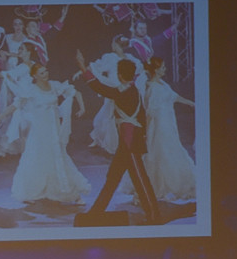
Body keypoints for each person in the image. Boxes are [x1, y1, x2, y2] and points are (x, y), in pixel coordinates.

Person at [73, 49, 159, 222]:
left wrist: (82, 66)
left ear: (120, 75)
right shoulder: (130, 89)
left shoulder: (124, 92)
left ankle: (154, 215)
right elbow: (142, 116)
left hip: (130, 145)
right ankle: (95, 213)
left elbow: (98, 86)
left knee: (140, 180)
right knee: (112, 179)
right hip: (126, 144)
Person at [0, 63, 88, 205]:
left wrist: (82, 107)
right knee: (37, 158)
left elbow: (75, 92)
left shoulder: (54, 85)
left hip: (54, 130)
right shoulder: (31, 90)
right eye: (41, 73)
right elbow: (15, 105)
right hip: (39, 132)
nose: (45, 74)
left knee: (59, 157)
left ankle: (71, 193)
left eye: (46, 71)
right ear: (34, 76)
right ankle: (30, 191)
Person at [140, 57, 197, 203]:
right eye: (163, 67)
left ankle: (174, 183)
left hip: (169, 123)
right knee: (162, 152)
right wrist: (145, 132)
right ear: (156, 69)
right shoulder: (152, 88)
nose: (165, 69)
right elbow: (149, 112)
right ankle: (161, 186)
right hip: (159, 126)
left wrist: (190, 103)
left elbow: (173, 96)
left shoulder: (162, 83)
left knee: (172, 149)